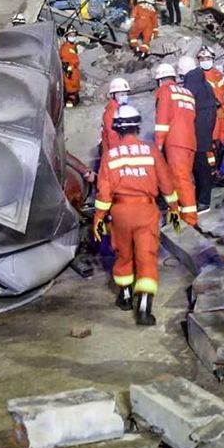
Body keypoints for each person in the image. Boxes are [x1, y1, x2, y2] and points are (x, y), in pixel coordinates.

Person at [93, 105, 181, 325]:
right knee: (146, 257)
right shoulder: (151, 151)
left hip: (120, 212)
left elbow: (104, 191)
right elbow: (166, 182)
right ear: (138, 127)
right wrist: (174, 209)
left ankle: (124, 297)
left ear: (117, 128)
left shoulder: (110, 155)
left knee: (124, 255)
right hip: (146, 212)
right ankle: (143, 308)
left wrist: (99, 218)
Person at [153, 61, 199, 226]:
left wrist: (158, 145)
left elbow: (162, 120)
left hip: (175, 142)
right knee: (183, 179)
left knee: (181, 180)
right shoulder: (186, 92)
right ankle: (179, 214)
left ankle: (190, 220)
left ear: (159, 80)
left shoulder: (165, 91)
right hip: (190, 141)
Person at [178, 54, 219, 213]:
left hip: (196, 131)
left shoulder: (190, 88)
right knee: (202, 165)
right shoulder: (204, 83)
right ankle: (202, 198)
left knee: (199, 166)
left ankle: (203, 201)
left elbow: (185, 112)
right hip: (206, 128)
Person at [197, 47, 224, 174]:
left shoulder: (218, 75)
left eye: (208, 58)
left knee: (223, 141)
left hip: (222, 115)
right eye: (202, 59)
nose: (205, 61)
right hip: (209, 115)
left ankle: (221, 168)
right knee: (211, 143)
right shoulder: (198, 76)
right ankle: (212, 169)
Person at [100, 77, 131, 156]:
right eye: (122, 94)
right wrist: (118, 155)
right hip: (115, 152)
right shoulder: (112, 112)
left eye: (126, 94)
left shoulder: (121, 109)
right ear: (113, 95)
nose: (125, 97)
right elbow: (112, 137)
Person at [59, 29, 82, 108]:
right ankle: (69, 106)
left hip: (74, 71)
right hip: (70, 73)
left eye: (74, 35)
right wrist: (68, 71)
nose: (72, 37)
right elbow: (64, 62)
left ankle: (74, 103)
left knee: (74, 89)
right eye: (70, 35)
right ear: (66, 36)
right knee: (70, 90)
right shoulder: (65, 48)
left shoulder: (73, 46)